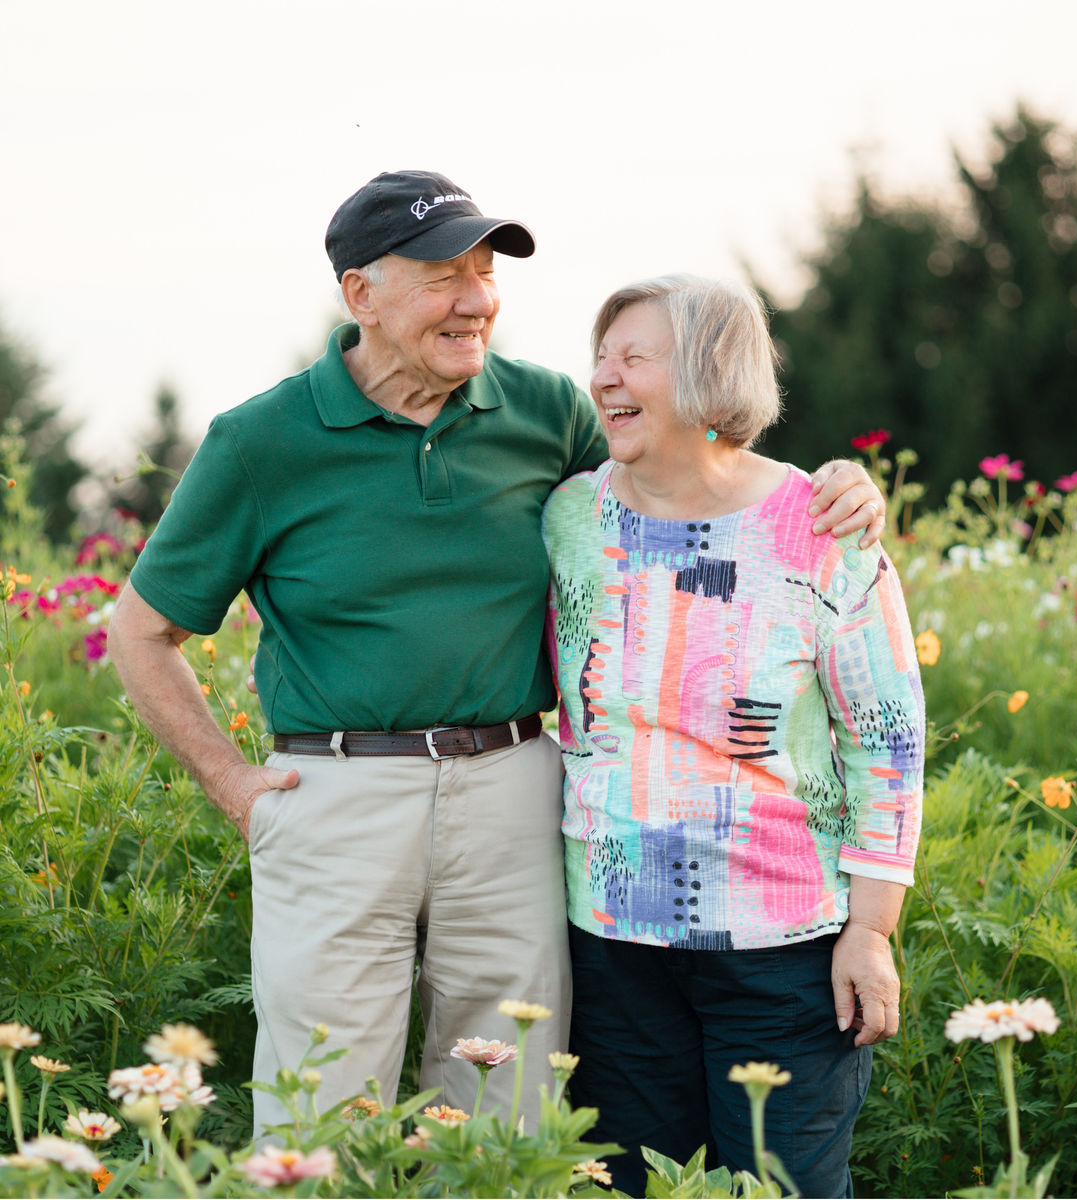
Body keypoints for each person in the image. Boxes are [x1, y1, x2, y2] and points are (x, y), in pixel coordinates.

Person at [106, 170, 889, 1134]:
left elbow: (686, 481)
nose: (476, 297)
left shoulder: (546, 411)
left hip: (516, 789)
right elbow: (140, 632)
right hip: (338, 797)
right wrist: (233, 784)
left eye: (484, 270)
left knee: (504, 1102)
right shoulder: (263, 441)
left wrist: (825, 486)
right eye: (442, 275)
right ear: (362, 296)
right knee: (319, 1103)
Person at [542, 275, 924, 1196]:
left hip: (785, 950)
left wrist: (872, 929)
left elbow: (887, 741)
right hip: (612, 940)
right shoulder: (570, 518)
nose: (605, 377)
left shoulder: (821, 528)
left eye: (636, 357)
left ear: (712, 372)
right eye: (602, 355)